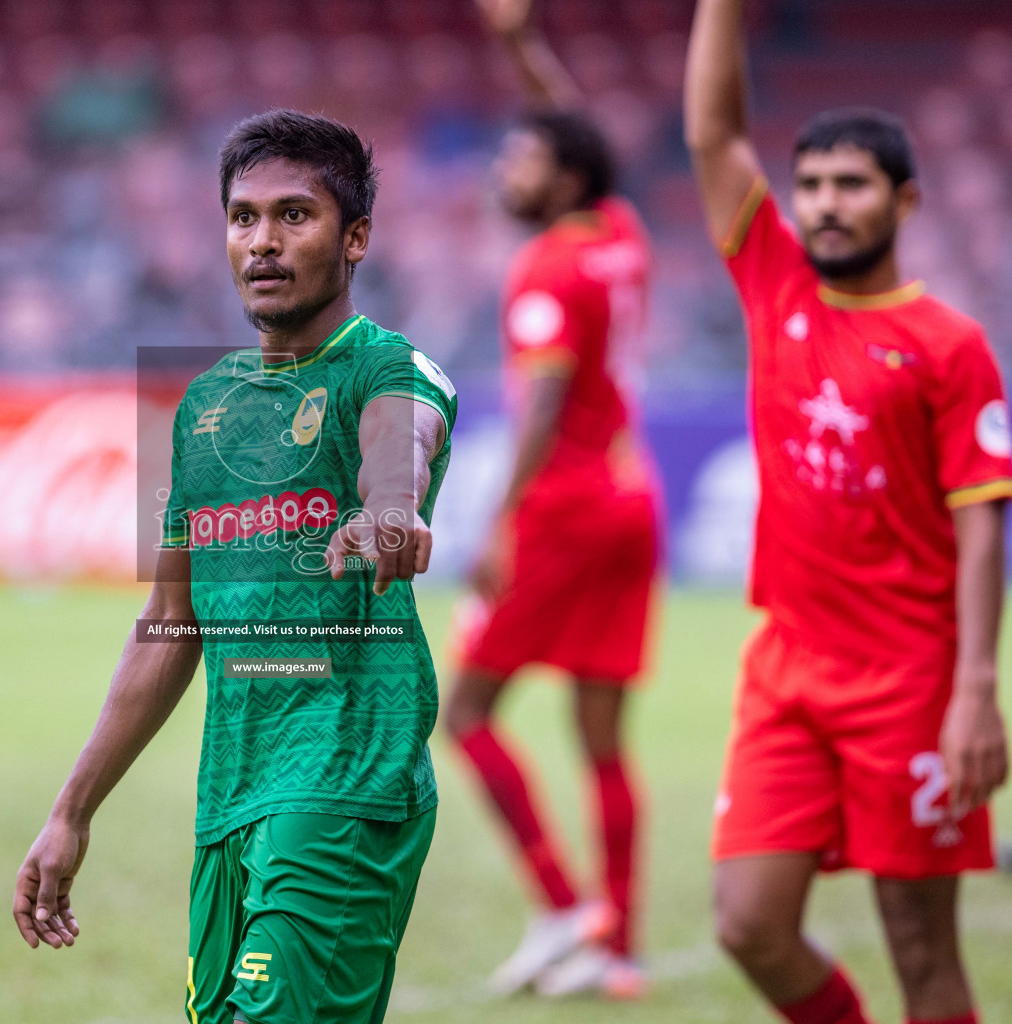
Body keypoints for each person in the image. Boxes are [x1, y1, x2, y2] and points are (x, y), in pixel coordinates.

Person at [12, 110, 457, 1024]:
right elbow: (169, 624)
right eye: (243, 216)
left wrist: (388, 514)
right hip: (232, 794)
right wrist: (73, 809)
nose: (263, 241)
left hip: (344, 781)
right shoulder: (207, 404)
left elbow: (399, 448)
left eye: (295, 215)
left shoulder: (389, 371)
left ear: (356, 237)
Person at [684, 4, 1012, 1024]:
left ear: (902, 200)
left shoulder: (949, 344)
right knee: (749, 922)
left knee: (923, 946)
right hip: (787, 670)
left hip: (911, 683)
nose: (825, 204)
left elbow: (981, 525)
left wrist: (975, 691)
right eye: (812, 184)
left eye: (851, 185)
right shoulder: (774, 283)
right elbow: (712, 134)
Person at [443, 0, 661, 998]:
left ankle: (562, 902)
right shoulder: (615, 233)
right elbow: (584, 139)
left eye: (522, 159)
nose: (506, 169)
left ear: (560, 181)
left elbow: (540, 402)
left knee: (467, 710)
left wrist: (498, 522)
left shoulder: (546, 268)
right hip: (630, 496)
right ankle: (615, 940)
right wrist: (524, 49)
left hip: (565, 509)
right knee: (601, 735)